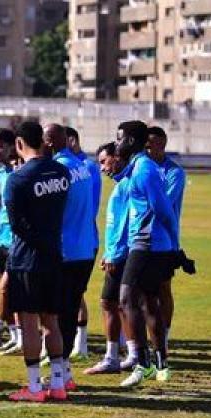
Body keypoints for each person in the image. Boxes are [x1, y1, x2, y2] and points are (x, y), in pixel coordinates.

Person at [4, 121, 71, 402]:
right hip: (54, 255)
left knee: (29, 323)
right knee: (51, 322)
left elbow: (17, 226)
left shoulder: (17, 179)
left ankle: (34, 388)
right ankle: (57, 385)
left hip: (28, 259)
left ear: (19, 144)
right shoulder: (61, 171)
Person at [116, 120, 178, 387]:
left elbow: (164, 210)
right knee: (149, 302)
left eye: (119, 138)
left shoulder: (145, 170)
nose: (116, 143)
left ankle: (141, 363)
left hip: (147, 244)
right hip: (145, 243)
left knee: (126, 299)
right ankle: (160, 364)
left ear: (130, 141)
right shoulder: (138, 167)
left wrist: (175, 247)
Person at [45, 124, 96, 391]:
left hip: (63, 250)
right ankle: (64, 371)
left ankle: (59, 375)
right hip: (85, 248)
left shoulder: (56, 170)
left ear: (50, 142)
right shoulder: (83, 167)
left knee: (56, 314)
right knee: (69, 310)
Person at [84, 142, 135, 375]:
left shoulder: (126, 184)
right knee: (120, 304)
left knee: (112, 303)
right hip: (117, 252)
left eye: (104, 162)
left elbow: (125, 223)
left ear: (117, 157)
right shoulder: (122, 183)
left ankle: (117, 356)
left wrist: (115, 252)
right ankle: (126, 354)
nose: (103, 168)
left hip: (122, 254)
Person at [146, 126, 185, 345]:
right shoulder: (143, 167)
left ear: (162, 144)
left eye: (150, 144)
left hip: (166, 241)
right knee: (140, 292)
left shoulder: (174, 172)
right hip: (141, 239)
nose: (147, 148)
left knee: (163, 288)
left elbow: (163, 205)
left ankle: (165, 337)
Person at [65, 126, 101, 359]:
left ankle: (79, 343)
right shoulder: (85, 167)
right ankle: (79, 344)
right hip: (85, 235)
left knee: (74, 294)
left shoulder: (84, 167)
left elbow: (91, 204)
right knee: (74, 293)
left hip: (79, 236)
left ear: (71, 140)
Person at [0, 128, 23, 354]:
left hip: (16, 239)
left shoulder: (22, 172)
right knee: (4, 288)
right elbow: (1, 203)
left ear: (12, 146)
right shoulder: (0, 173)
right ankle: (14, 335)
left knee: (8, 288)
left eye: (0, 146)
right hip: (0, 237)